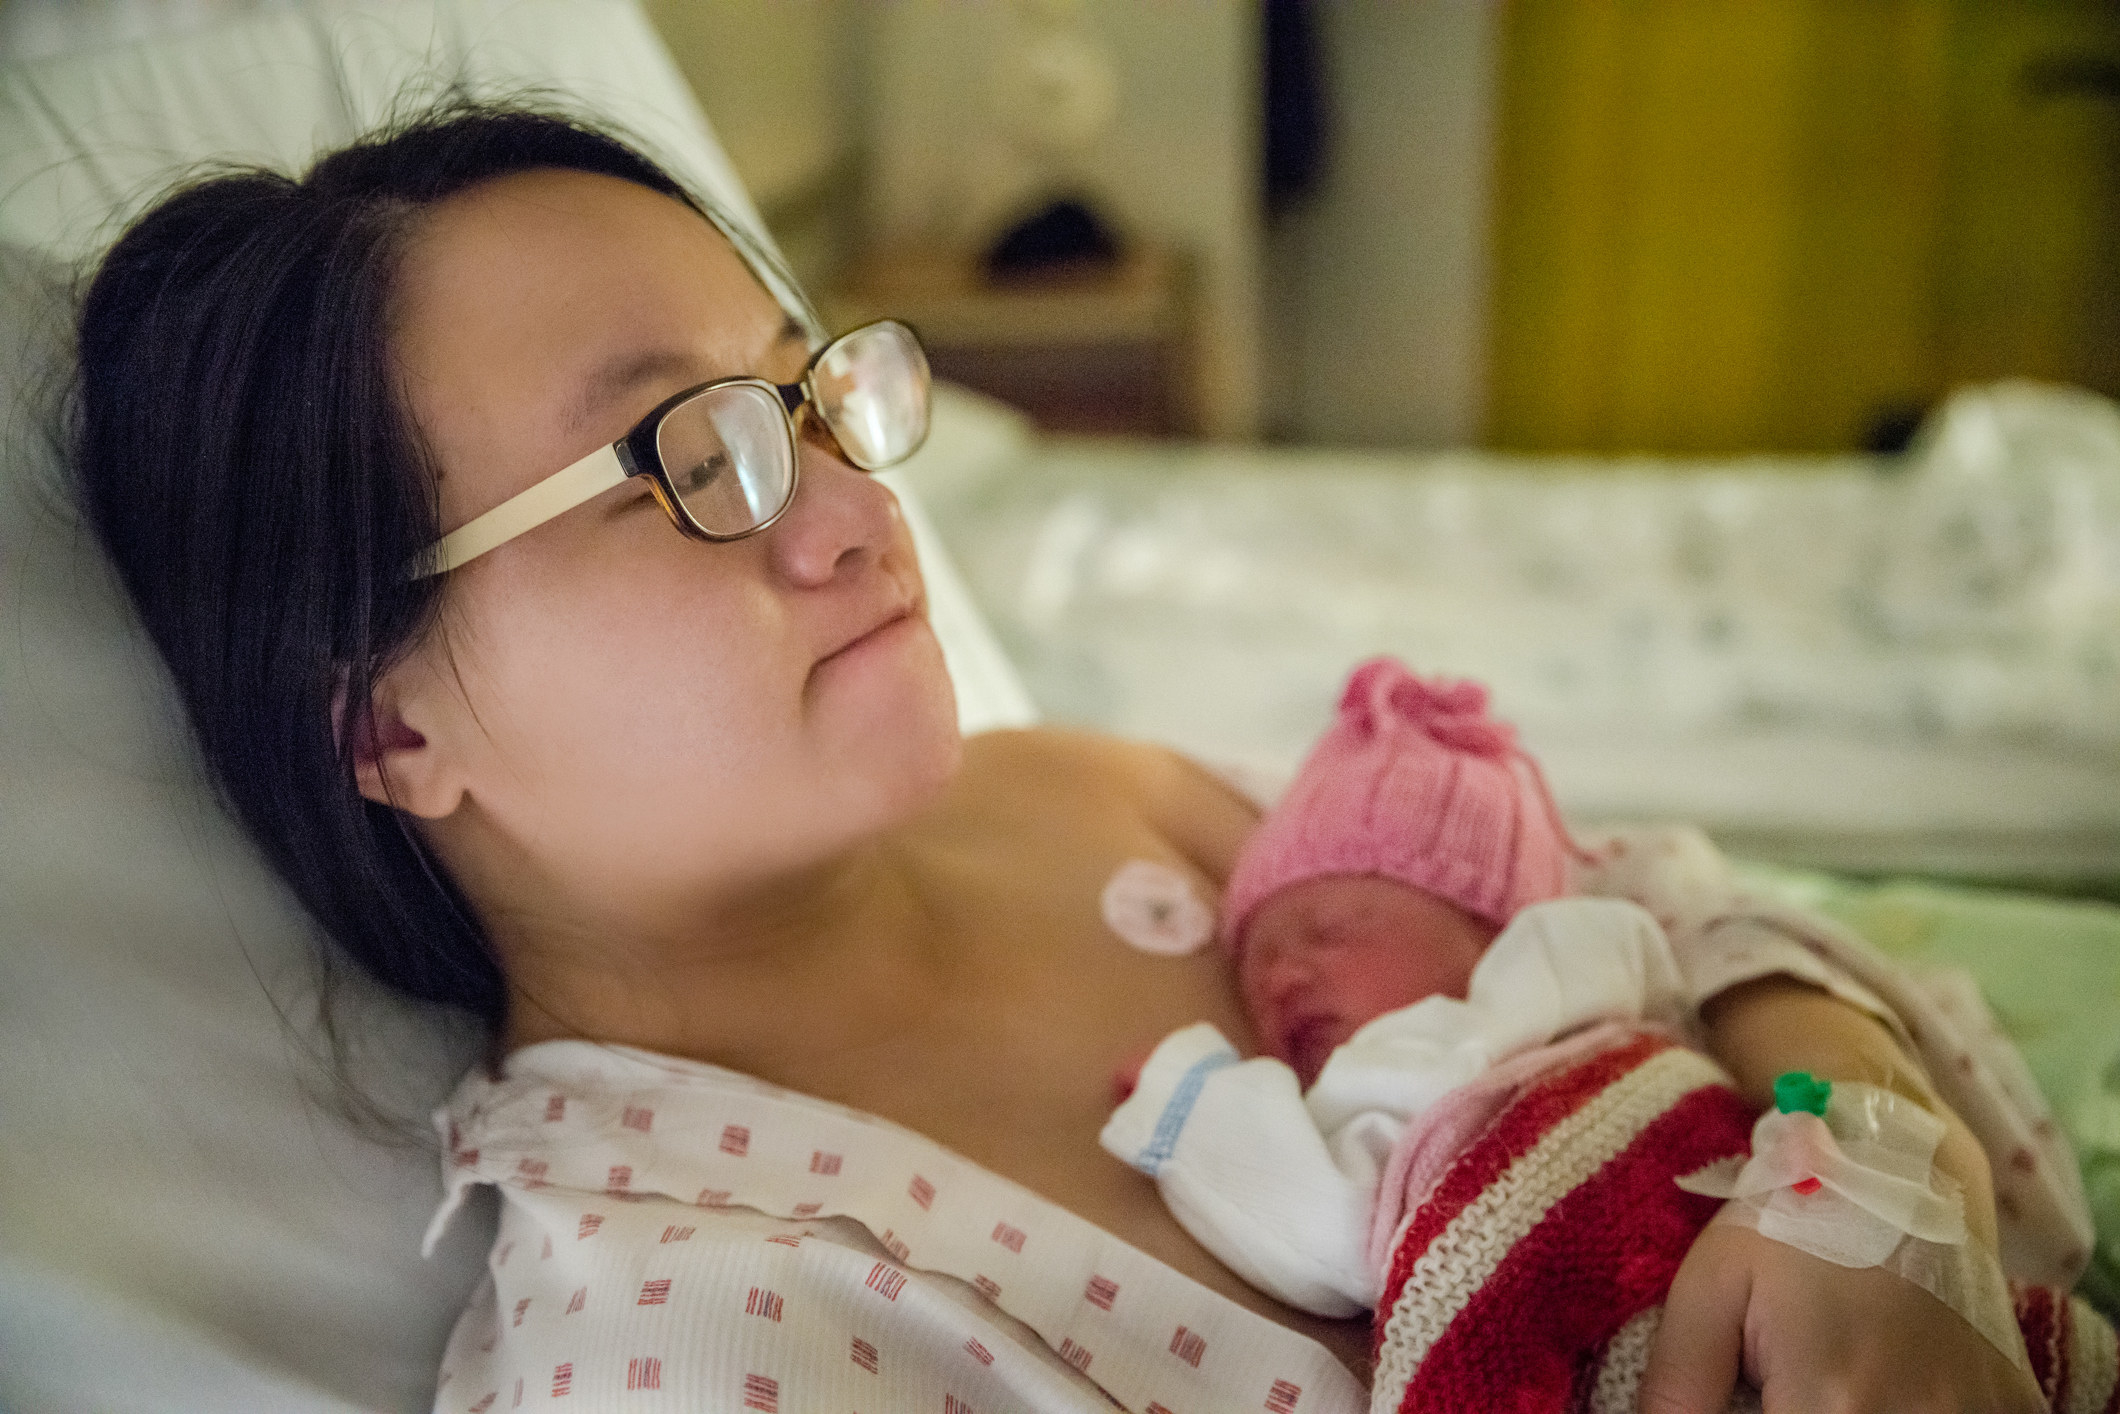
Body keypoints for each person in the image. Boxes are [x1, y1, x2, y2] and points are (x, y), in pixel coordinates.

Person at [68, 101, 2053, 1412]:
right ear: (387, 718)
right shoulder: (696, 1324)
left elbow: (1653, 905)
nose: (846, 507)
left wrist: (1877, 1173)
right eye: (690, 456)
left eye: (808, 396)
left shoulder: (1065, 793)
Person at [1103, 658, 2108, 1410]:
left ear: (1494, 921)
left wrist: (1181, 1095)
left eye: (1327, 928)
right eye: (1254, 962)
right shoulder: (1375, 1098)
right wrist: (1193, 1081)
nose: (1277, 974)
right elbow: (1316, 1210)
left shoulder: (1609, 963)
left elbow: (1734, 964)